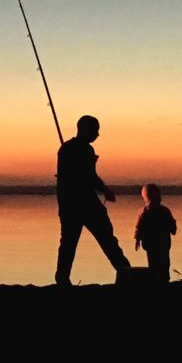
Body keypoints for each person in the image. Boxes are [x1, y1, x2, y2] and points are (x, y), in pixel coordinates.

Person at [55, 115, 132, 285]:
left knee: (68, 243)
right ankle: (126, 272)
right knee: (107, 240)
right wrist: (105, 190)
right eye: (96, 130)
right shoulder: (83, 150)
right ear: (85, 129)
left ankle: (62, 279)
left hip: (69, 206)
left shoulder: (66, 149)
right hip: (85, 205)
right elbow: (89, 177)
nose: (98, 134)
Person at [134, 183, 177, 283]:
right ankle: (162, 279)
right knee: (162, 262)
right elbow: (140, 227)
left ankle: (159, 279)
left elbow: (139, 227)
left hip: (153, 243)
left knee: (156, 262)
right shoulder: (163, 210)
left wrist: (137, 239)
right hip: (160, 242)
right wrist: (137, 239)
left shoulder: (145, 211)